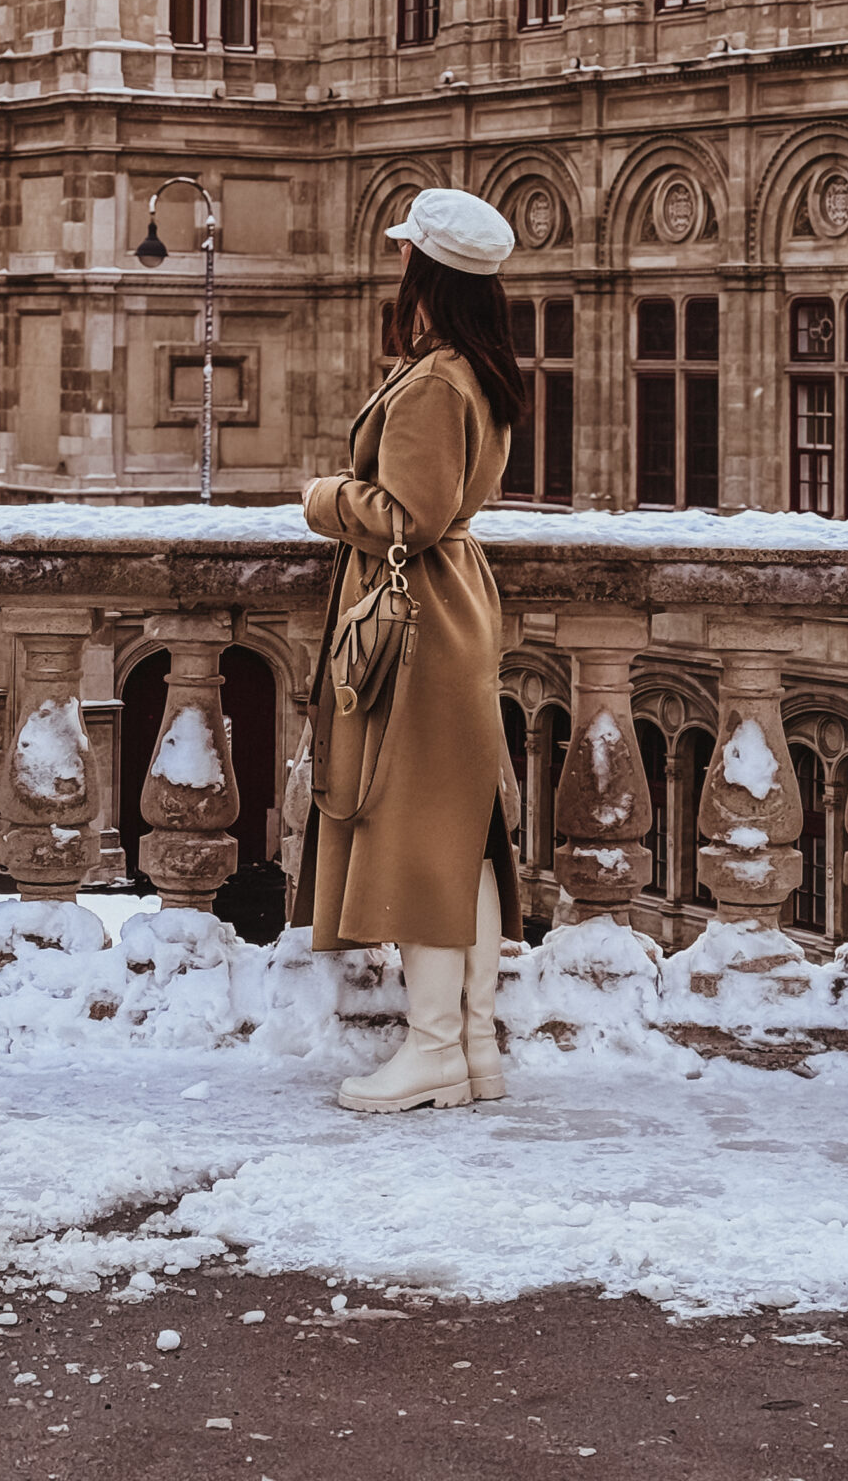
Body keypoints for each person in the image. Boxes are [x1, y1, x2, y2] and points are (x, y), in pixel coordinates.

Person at [293, 187, 529, 1113]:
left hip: (419, 620)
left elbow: (410, 517)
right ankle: (468, 1046)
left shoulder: (435, 381)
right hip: (453, 611)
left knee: (427, 835)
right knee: (460, 837)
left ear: (424, 272)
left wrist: (324, 499)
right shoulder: (474, 367)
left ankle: (435, 1051)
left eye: (404, 256)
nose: (395, 268)